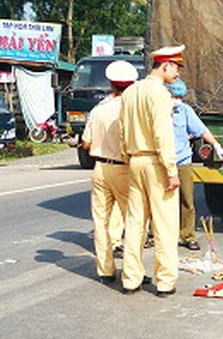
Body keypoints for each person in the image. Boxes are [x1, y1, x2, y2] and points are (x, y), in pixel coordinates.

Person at [119, 45, 183, 297]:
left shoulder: (131, 91)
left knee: (135, 223)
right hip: (156, 162)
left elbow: (123, 130)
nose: (177, 74)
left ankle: (130, 278)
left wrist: (128, 157)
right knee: (165, 224)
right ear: (165, 65)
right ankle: (165, 281)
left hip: (135, 160)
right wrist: (171, 169)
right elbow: (162, 134)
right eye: (176, 68)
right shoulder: (160, 93)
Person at [81, 60, 139, 285]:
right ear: (132, 85)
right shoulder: (131, 110)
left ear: (111, 85)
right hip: (125, 169)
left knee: (102, 221)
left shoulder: (98, 110)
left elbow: (86, 143)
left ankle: (105, 270)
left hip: (100, 169)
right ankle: (131, 271)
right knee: (134, 222)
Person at [166, 78, 223, 251]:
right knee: (159, 201)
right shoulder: (157, 112)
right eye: (173, 95)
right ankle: (154, 234)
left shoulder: (185, 111)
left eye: (179, 96)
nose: (176, 100)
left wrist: (216, 145)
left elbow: (200, 130)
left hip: (182, 161)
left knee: (187, 200)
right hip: (161, 162)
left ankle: (187, 235)